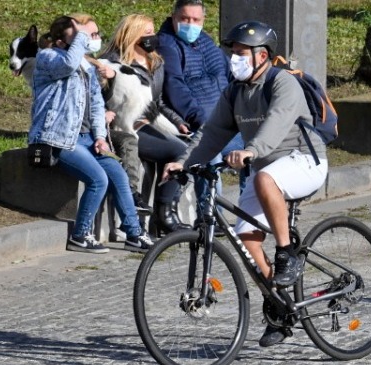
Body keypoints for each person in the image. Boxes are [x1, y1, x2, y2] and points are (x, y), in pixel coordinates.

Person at [162, 21, 328, 347]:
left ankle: (286, 254)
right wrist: (184, 162)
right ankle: (280, 307)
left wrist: (251, 150)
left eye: (240, 53)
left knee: (265, 178)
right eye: (233, 53)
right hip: (264, 166)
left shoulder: (283, 84)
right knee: (246, 239)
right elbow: (211, 134)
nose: (233, 59)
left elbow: (276, 124)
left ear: (261, 55)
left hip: (305, 160)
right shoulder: (235, 91)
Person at [29, 15, 155, 254]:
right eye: (83, 36)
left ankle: (134, 234)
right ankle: (80, 234)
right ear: (59, 42)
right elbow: (67, 65)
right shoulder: (48, 57)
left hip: (87, 138)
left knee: (118, 174)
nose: (90, 40)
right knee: (98, 179)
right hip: (59, 138)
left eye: (94, 35)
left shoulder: (87, 65)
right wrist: (81, 37)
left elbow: (97, 104)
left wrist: (100, 136)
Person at [98, 13, 194, 235]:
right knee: (181, 151)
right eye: (147, 33)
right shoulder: (110, 63)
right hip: (122, 129)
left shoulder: (155, 62)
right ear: (132, 35)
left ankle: (165, 212)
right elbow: (98, 99)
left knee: (186, 146)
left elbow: (157, 102)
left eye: (153, 32)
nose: (153, 38)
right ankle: (164, 216)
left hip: (148, 122)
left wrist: (178, 123)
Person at [157, 0, 246, 223]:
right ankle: (210, 218)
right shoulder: (167, 44)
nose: (190, 24)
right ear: (174, 17)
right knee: (209, 156)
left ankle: (250, 212)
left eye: (196, 20)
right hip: (201, 124)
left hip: (229, 122)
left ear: (203, 20)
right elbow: (174, 85)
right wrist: (201, 118)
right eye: (185, 19)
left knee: (253, 152)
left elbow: (231, 76)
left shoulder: (207, 42)